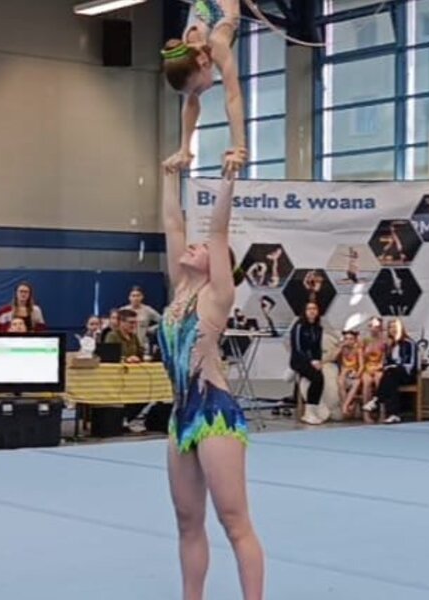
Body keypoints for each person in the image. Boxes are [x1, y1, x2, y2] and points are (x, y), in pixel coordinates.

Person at [159, 169, 263, 600]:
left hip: (214, 412)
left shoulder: (216, 296)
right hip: (181, 416)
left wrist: (228, 180)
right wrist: (169, 176)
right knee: (187, 521)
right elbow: (173, 224)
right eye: (194, 245)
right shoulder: (180, 291)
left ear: (218, 265)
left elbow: (217, 232)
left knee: (234, 522)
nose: (193, 246)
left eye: (201, 248)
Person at [161, 0, 246, 177]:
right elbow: (191, 103)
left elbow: (233, 96)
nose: (199, 91)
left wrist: (239, 148)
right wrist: (184, 149)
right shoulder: (188, 51)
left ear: (203, 62)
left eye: (198, 87)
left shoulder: (218, 44)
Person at [364, 318, 418, 424]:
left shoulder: (408, 343)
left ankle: (377, 399)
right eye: (390, 327)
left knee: (391, 373)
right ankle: (393, 415)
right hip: (392, 375)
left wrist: (394, 367)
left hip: (406, 373)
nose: (393, 329)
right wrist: (388, 367)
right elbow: (386, 362)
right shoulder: (390, 345)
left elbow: (411, 363)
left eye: (395, 327)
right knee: (390, 379)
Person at [289, 301, 325, 425]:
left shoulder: (318, 328)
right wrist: (310, 361)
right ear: (305, 311)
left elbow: (317, 347)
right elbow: (298, 347)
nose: (312, 311)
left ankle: (312, 410)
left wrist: (318, 360)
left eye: (314, 308)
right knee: (316, 378)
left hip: (313, 361)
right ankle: (308, 413)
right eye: (309, 309)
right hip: (299, 360)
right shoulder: (299, 326)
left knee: (320, 379)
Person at [336, 330, 364, 417]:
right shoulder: (342, 349)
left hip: (354, 372)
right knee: (340, 381)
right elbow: (334, 358)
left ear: (355, 340)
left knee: (357, 382)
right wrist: (340, 348)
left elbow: (361, 366)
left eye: (351, 339)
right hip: (344, 372)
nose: (348, 341)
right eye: (346, 339)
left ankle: (345, 406)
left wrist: (357, 374)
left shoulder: (358, 349)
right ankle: (347, 405)